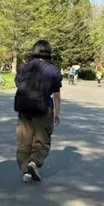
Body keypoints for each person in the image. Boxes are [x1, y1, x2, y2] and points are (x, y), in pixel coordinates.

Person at [14, 40, 62, 183]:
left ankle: (25, 172)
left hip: (24, 109)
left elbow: (18, 84)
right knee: (42, 140)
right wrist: (57, 113)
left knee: (24, 141)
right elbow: (56, 95)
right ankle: (34, 162)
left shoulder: (24, 67)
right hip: (43, 109)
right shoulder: (53, 70)